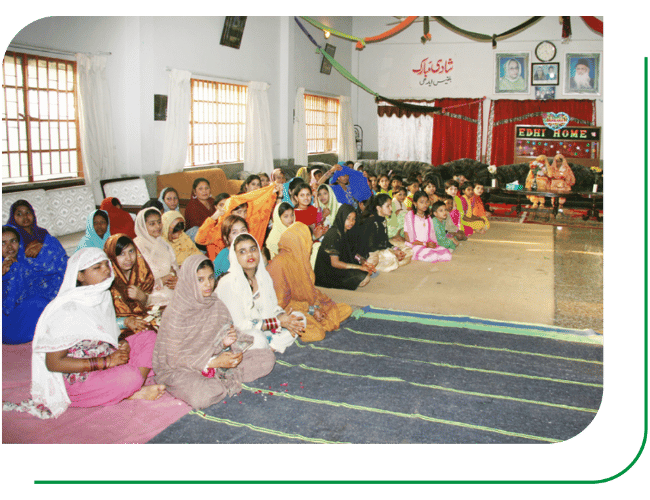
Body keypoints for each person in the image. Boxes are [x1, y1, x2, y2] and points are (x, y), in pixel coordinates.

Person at [10, 247, 165, 419]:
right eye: (97, 267)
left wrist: (122, 344)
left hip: (105, 354)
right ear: (80, 276)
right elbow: (54, 363)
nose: (106, 270)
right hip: (79, 376)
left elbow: (106, 334)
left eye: (106, 264)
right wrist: (106, 361)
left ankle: (130, 387)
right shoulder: (66, 308)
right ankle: (132, 390)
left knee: (148, 337)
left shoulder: (102, 296)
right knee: (130, 376)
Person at [152, 255, 275, 410]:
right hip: (182, 368)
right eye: (200, 279)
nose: (208, 284)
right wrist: (213, 363)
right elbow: (174, 358)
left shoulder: (215, 303)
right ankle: (219, 378)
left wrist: (228, 344)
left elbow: (224, 335)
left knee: (267, 359)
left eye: (210, 277)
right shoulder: (176, 312)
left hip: (217, 360)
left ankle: (219, 376)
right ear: (188, 281)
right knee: (204, 395)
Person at [217, 233, 305, 353]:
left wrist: (282, 317)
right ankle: (268, 346)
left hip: (264, 327)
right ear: (235, 256)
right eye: (242, 252)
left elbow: (273, 307)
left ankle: (270, 347)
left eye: (253, 249)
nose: (249, 254)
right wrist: (277, 322)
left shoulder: (264, 277)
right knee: (257, 338)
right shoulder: (229, 283)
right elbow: (239, 325)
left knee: (299, 318)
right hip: (234, 335)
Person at [267, 222, 352, 343]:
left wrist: (316, 306)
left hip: (308, 306)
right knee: (317, 333)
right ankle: (291, 329)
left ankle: (315, 321)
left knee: (345, 309)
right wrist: (310, 309)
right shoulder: (278, 265)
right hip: (286, 311)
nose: (310, 244)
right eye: (307, 240)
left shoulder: (301, 259)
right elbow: (280, 303)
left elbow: (311, 291)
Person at [2, 225, 65, 344]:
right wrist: (4, 275)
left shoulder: (26, 262)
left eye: (13, 241)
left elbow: (53, 266)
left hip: (25, 311)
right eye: (3, 243)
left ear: (19, 243)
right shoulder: (3, 267)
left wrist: (19, 267)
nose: (9, 246)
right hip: (7, 323)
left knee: (51, 298)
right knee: (39, 303)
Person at [195, 184, 278, 261]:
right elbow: (200, 239)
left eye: (245, 211)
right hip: (226, 264)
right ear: (230, 213)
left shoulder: (249, 222)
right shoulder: (222, 228)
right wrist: (213, 217)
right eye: (239, 212)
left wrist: (271, 193)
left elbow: (264, 211)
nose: (242, 215)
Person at [104, 234, 156, 338]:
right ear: (111, 256)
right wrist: (126, 322)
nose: (128, 258)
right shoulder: (106, 282)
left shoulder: (141, 273)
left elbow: (150, 303)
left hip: (143, 318)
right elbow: (102, 320)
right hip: (119, 330)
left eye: (131, 251)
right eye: (121, 254)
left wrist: (143, 297)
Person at [314, 205, 374, 290]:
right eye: (348, 218)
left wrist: (363, 261)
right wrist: (360, 267)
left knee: (367, 268)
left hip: (339, 267)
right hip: (328, 273)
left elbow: (352, 253)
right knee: (364, 277)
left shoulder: (346, 232)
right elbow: (335, 263)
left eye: (353, 219)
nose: (351, 222)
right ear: (341, 217)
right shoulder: (333, 234)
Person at [133, 208, 179, 307]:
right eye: (152, 224)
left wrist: (175, 278)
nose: (158, 226)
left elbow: (174, 267)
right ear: (142, 226)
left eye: (159, 222)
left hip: (171, 289)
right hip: (150, 295)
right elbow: (137, 281)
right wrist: (162, 280)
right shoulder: (137, 247)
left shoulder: (164, 244)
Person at [352, 193, 406, 273]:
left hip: (379, 249)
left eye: (391, 205)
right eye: (388, 206)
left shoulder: (383, 219)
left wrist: (396, 249)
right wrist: (392, 252)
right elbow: (371, 247)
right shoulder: (372, 221)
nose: (391, 208)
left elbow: (385, 241)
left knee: (406, 250)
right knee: (391, 259)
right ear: (379, 208)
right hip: (369, 253)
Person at [403, 192, 453, 263]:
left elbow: (432, 235)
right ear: (415, 203)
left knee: (447, 255)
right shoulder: (410, 215)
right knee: (432, 256)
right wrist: (425, 244)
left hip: (427, 244)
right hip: (414, 244)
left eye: (426, 202)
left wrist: (432, 244)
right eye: (421, 202)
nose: (425, 204)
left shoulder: (428, 217)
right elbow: (409, 238)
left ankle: (429, 251)